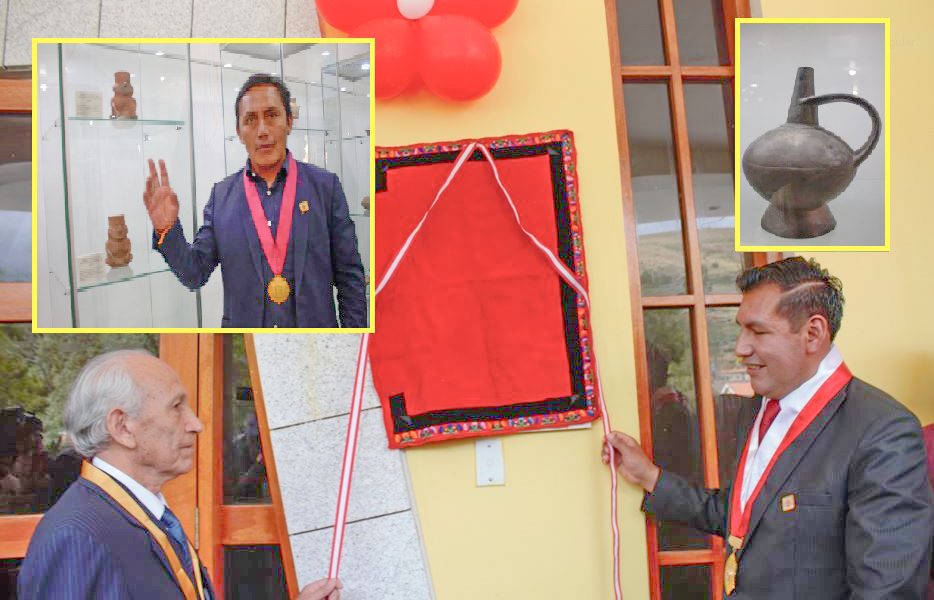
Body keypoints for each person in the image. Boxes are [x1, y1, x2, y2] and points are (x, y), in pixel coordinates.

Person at [603, 257, 934, 599]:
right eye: (741, 329)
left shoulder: (883, 432)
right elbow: (745, 515)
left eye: (758, 331)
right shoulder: (760, 408)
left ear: (813, 333)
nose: (740, 348)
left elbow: (887, 591)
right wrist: (650, 477)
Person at [18, 350, 341, 600]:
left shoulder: (143, 514)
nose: (195, 424)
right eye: (176, 407)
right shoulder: (77, 537)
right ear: (122, 426)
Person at [145, 73, 367, 328]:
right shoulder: (222, 197)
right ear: (239, 132)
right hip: (247, 344)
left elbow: (350, 279)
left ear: (289, 122)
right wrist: (167, 230)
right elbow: (194, 274)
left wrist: (353, 341)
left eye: (271, 115)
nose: (262, 130)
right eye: (250, 120)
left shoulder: (325, 188)